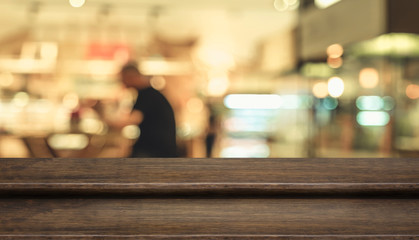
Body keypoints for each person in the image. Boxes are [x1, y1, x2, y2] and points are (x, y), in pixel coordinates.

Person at [116, 62, 177, 157]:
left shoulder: (146, 95)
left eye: (123, 78)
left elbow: (133, 119)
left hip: (156, 150)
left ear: (130, 76)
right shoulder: (150, 94)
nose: (122, 82)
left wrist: (108, 121)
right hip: (157, 149)